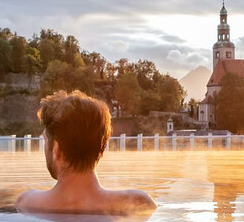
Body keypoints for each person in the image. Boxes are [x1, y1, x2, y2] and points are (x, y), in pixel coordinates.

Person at [15, 90, 156, 215]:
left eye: (45, 141)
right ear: (101, 147)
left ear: (56, 150)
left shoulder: (27, 202)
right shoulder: (138, 203)